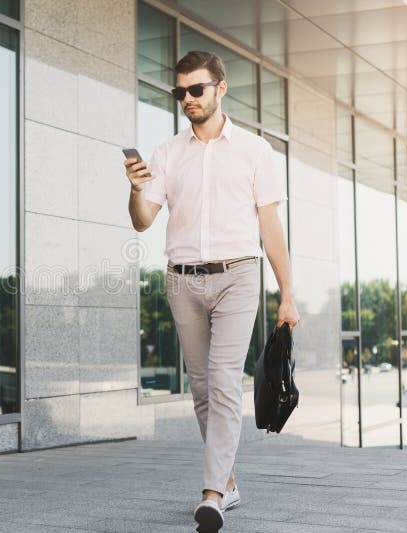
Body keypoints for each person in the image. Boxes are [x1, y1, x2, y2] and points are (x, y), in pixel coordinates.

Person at [124, 50, 300, 533]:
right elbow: (143, 221)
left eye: (196, 90)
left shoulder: (255, 150)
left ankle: (212, 495)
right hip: (182, 280)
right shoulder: (168, 153)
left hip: (238, 276)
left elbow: (270, 224)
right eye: (179, 92)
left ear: (221, 88)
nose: (187, 99)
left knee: (223, 383)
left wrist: (287, 292)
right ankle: (229, 478)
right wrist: (136, 189)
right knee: (202, 390)